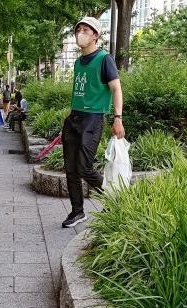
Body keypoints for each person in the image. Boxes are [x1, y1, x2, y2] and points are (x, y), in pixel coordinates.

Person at [60, 16, 124, 228]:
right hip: (74, 118)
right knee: (70, 169)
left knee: (84, 167)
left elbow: (116, 89)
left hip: (93, 119)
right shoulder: (78, 62)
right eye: (79, 29)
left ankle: (114, 199)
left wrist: (118, 118)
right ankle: (77, 212)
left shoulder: (104, 59)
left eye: (86, 29)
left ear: (95, 35)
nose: (81, 33)